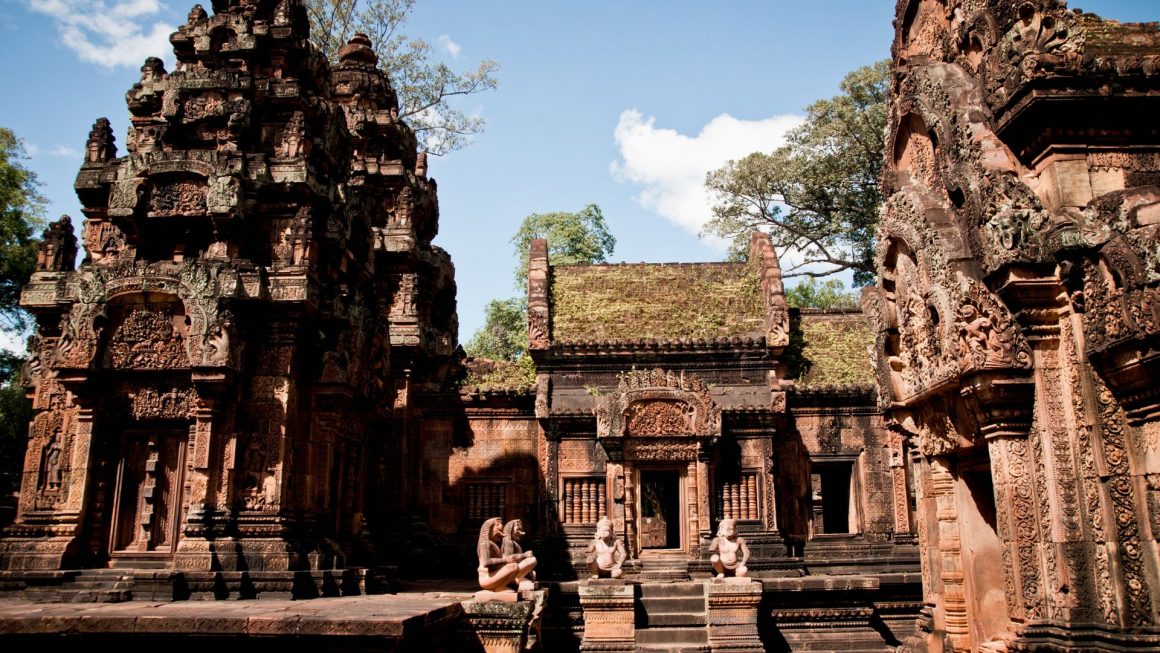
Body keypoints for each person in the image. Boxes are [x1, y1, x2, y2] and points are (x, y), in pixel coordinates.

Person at [477, 517, 536, 591]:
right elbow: (485, 562)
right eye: (497, 525)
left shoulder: (492, 543)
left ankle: (503, 585)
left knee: (518, 571)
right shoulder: (484, 543)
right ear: (489, 528)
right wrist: (506, 560)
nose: (501, 526)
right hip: (486, 578)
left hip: (495, 575)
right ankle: (500, 587)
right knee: (514, 566)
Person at [501, 519, 537, 588]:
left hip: (515, 567)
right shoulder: (508, 541)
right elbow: (509, 559)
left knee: (533, 573)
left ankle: (520, 577)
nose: (518, 527)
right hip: (510, 570)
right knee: (532, 560)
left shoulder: (514, 542)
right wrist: (524, 555)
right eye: (515, 525)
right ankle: (516, 578)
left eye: (518, 525)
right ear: (510, 529)